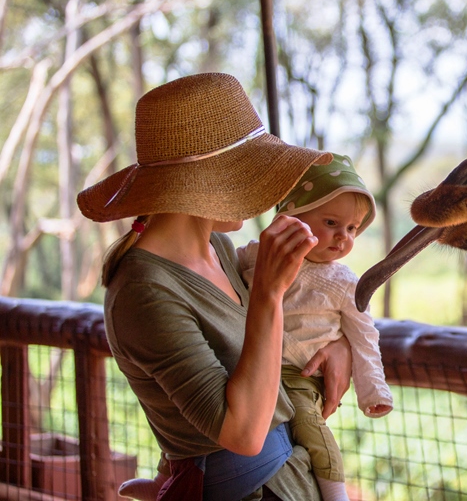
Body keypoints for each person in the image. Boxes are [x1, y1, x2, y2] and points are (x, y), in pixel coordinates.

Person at [77, 72, 352, 501]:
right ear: (212, 178)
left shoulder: (218, 246)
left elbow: (263, 346)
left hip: (291, 477)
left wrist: (339, 344)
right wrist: (267, 294)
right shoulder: (143, 289)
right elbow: (242, 434)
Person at [239, 154, 393, 501]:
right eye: (331, 223)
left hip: (301, 377)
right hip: (252, 364)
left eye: (352, 229)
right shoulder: (257, 254)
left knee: (309, 425)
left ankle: (335, 492)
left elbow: (364, 337)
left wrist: (373, 391)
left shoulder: (343, 282)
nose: (343, 238)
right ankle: (169, 476)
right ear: (290, 217)